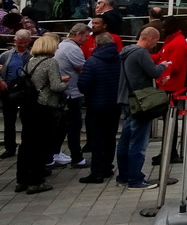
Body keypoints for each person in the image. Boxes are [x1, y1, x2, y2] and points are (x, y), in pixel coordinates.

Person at [16, 33, 68, 194]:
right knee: (40, 144)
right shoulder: (50, 62)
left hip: (27, 106)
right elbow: (55, 86)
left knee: (26, 143)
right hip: (43, 106)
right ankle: (36, 181)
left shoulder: (29, 62)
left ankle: (22, 179)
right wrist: (65, 82)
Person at [77, 32, 121, 183]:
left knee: (96, 139)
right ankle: (107, 167)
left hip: (96, 105)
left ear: (96, 44)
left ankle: (97, 172)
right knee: (110, 137)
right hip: (114, 104)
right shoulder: (119, 59)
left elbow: (83, 84)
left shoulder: (92, 61)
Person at [153, 17, 187, 164]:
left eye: (165, 26)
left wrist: (158, 67)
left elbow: (174, 66)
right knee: (169, 121)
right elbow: (163, 58)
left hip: (171, 87)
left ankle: (170, 152)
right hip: (168, 85)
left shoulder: (178, 43)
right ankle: (168, 151)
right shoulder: (172, 41)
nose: (162, 29)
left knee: (170, 121)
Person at [54, 23, 89, 168]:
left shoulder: (63, 45)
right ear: (79, 34)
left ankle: (55, 152)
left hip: (66, 92)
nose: (87, 40)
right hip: (71, 93)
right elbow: (83, 69)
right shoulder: (72, 49)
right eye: (86, 36)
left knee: (63, 125)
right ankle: (77, 157)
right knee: (74, 126)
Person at [0, 29, 32, 158]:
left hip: (25, 90)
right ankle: (9, 147)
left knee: (27, 120)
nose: (22, 45)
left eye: (25, 42)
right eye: (20, 42)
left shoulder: (31, 55)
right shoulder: (6, 55)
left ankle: (27, 146)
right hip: (8, 89)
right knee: (9, 120)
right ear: (15, 41)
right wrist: (1, 81)